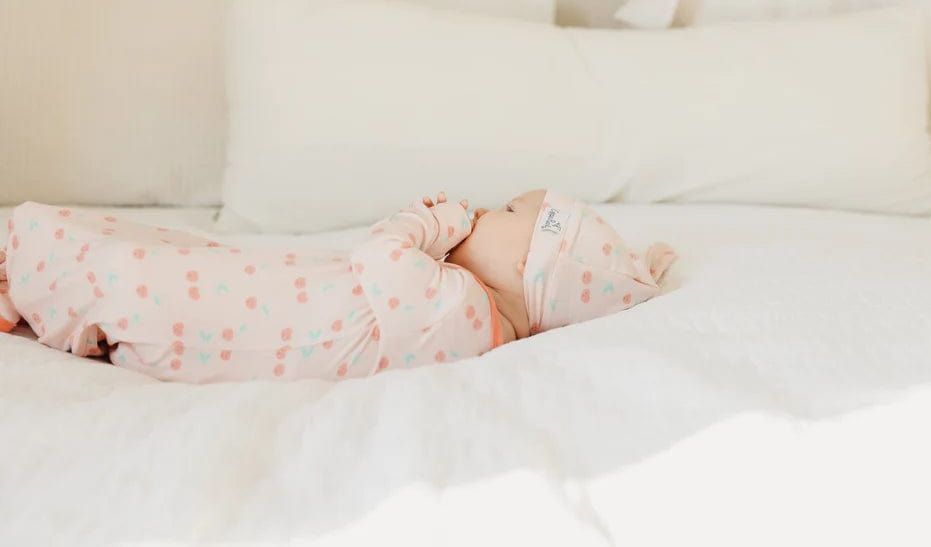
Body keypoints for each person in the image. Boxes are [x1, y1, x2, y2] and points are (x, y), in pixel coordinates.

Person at [0, 190, 675, 383]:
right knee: (166, 255)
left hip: (219, 319)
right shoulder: (469, 313)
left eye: (504, 215)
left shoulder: (465, 312)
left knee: (137, 276)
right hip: (248, 301)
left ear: (531, 271)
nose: (481, 208)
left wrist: (428, 218)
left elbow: (381, 253)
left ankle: (23, 264)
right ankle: (33, 288)